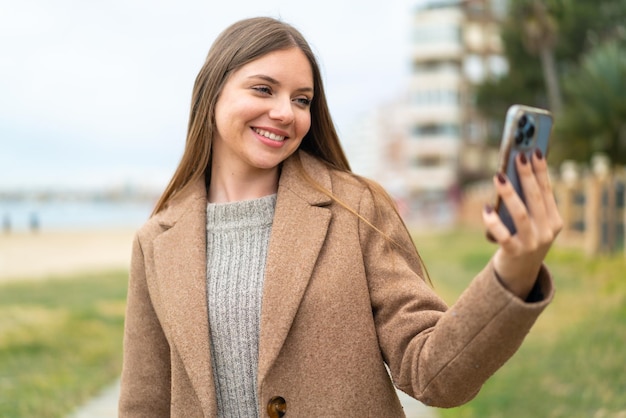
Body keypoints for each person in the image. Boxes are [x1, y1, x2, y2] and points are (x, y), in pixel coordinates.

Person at [118, 17, 562, 418]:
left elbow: (433, 373)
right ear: (212, 91)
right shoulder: (156, 242)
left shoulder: (356, 208)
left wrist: (513, 272)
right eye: (263, 89)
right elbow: (144, 405)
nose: (285, 112)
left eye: (302, 99)